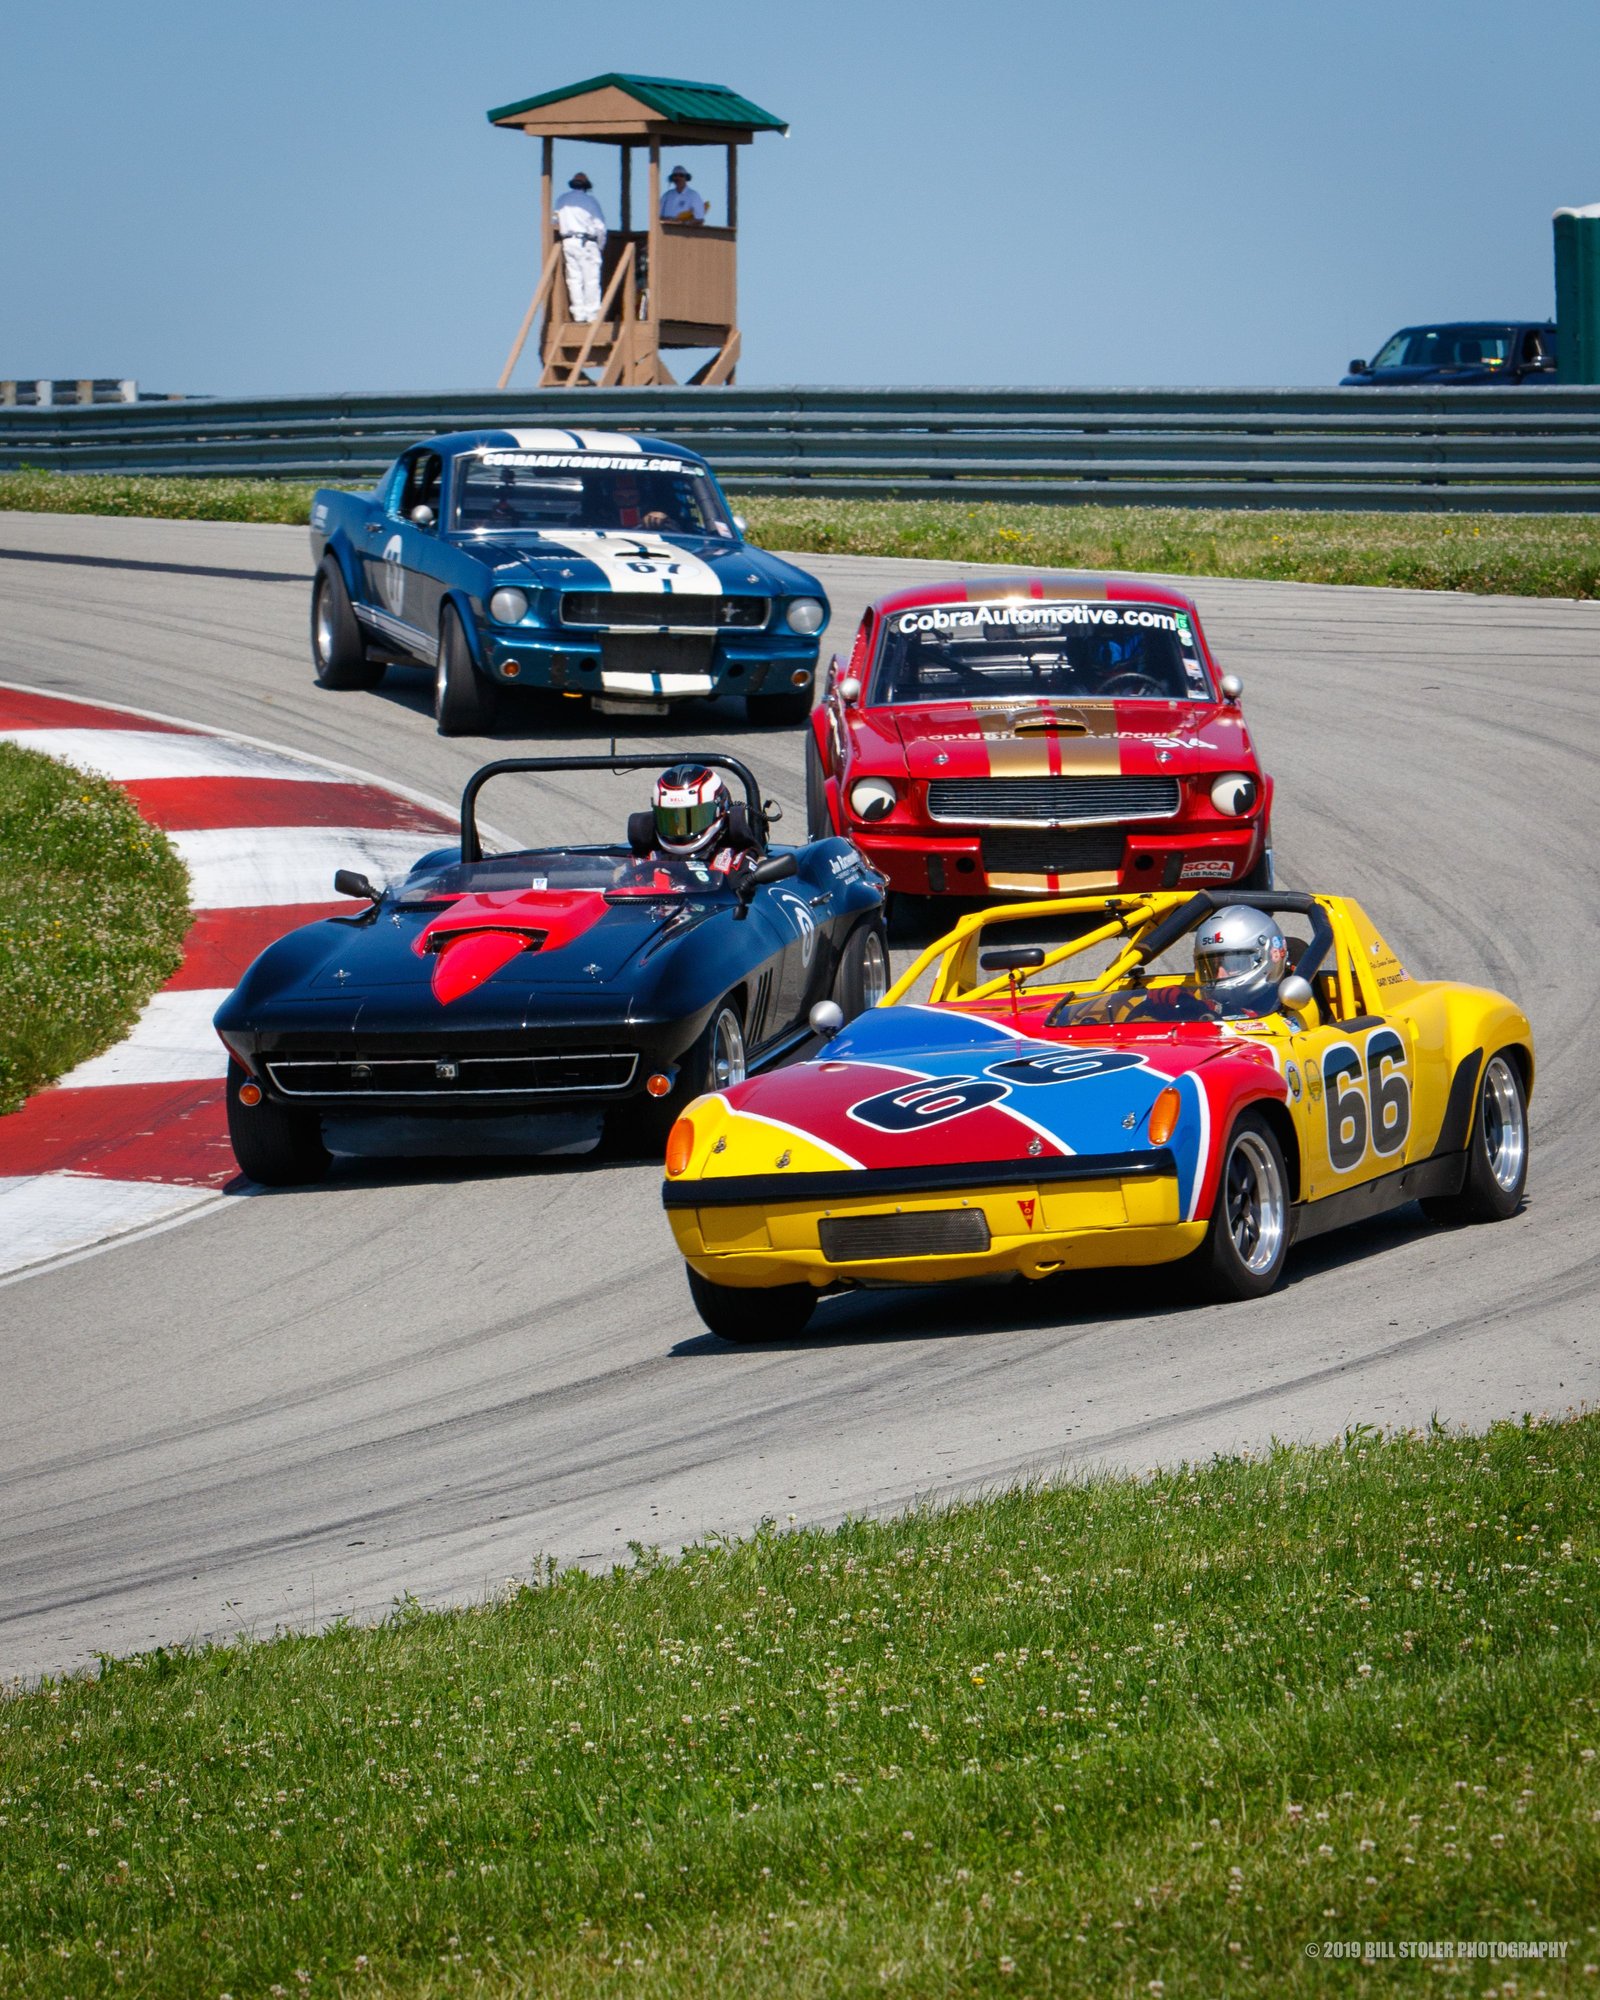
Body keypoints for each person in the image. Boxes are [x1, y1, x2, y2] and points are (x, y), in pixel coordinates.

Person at [633, 765, 759, 879]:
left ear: (719, 811)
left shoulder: (735, 862)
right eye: (670, 819)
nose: (679, 829)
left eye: (694, 817)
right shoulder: (643, 861)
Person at [1192, 906, 1289, 1013]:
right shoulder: (1196, 1002)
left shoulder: (1296, 1003)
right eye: (1211, 968)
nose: (1219, 976)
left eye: (1233, 964)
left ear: (1268, 956)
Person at [553, 171, 607, 322]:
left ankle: (578, 313)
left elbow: (554, 221)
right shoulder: (590, 201)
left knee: (574, 279)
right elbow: (600, 227)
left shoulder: (562, 200)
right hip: (586, 242)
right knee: (590, 278)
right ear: (586, 186)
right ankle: (592, 315)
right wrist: (600, 246)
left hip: (567, 242)